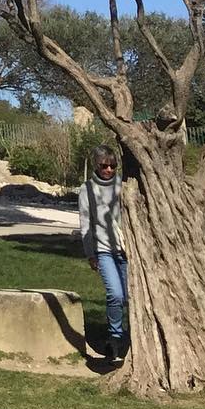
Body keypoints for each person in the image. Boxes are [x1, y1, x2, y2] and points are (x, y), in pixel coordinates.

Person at [79, 145, 129, 363]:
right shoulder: (88, 189)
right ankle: (115, 337)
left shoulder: (124, 185)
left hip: (127, 249)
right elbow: (85, 223)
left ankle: (134, 336)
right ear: (96, 165)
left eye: (112, 165)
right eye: (104, 165)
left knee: (129, 296)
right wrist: (91, 253)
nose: (108, 169)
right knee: (115, 294)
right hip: (104, 249)